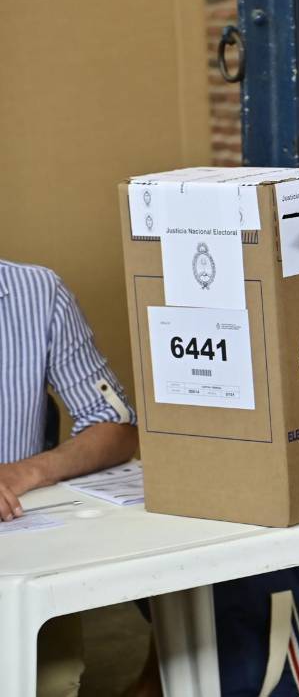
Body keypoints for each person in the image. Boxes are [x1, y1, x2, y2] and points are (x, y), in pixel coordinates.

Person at [0, 258, 156, 696]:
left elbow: (116, 426)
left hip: (20, 560)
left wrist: (27, 471)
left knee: (51, 678)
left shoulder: (37, 292)